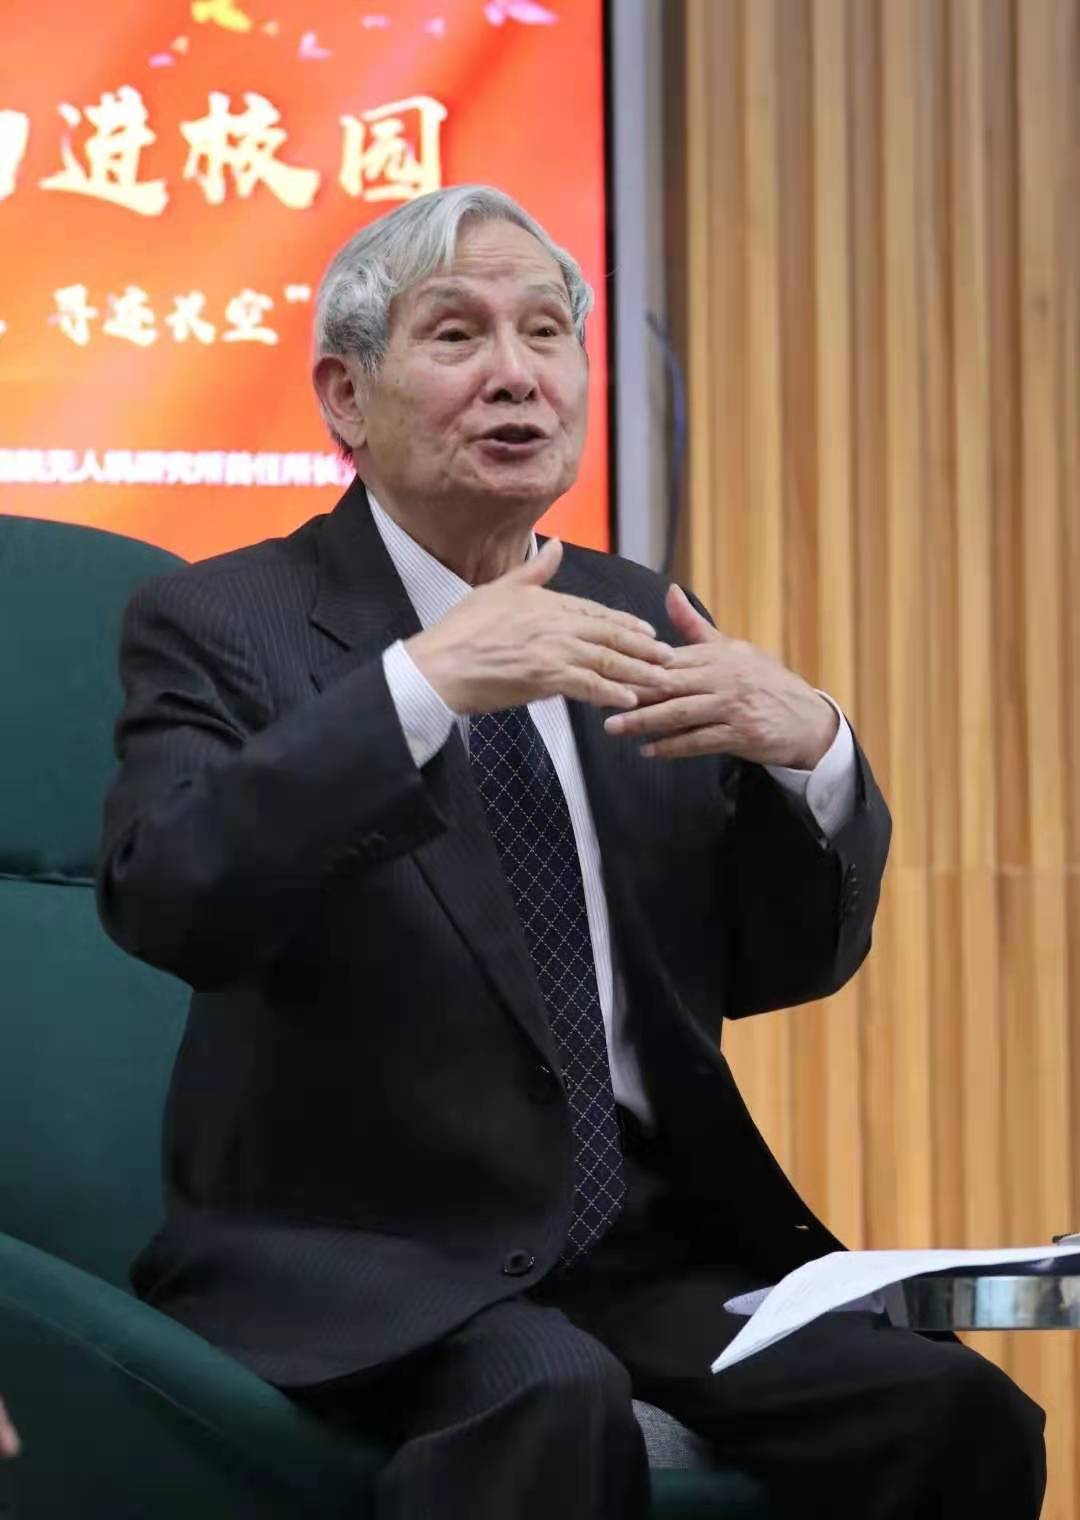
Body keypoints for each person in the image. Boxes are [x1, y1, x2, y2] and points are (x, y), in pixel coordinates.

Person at [97, 184, 1045, 1520]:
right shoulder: (220, 618)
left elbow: (779, 962)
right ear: (345, 396)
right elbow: (170, 895)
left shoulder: (636, 616)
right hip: (365, 1254)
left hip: (646, 1250)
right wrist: (422, 687)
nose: (517, 374)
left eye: (546, 333)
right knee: (550, 1393)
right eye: (457, 334)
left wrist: (814, 756)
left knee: (953, 1412)